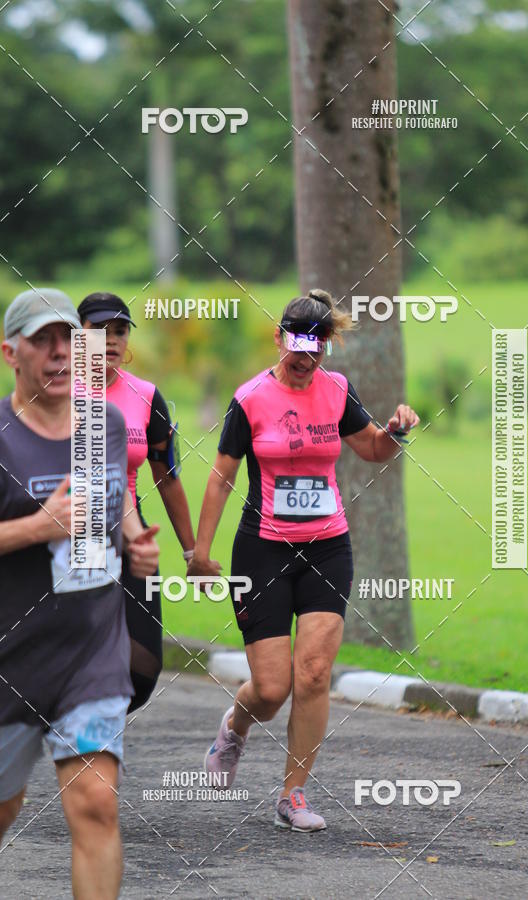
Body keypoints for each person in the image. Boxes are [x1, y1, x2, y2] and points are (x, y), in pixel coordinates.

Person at [188, 288, 419, 832]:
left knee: (313, 674)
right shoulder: (250, 398)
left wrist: (397, 432)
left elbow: (373, 449)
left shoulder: (336, 390)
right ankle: (235, 728)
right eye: (297, 343)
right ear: (279, 338)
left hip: (327, 547)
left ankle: (293, 795)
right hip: (263, 550)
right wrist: (200, 553)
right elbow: (221, 478)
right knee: (272, 689)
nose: (306, 355)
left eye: (317, 345)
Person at [0, 287, 160, 898]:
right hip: (11, 661)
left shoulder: (106, 424)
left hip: (91, 652)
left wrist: (135, 542)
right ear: (11, 353)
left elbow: (112, 498)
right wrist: (38, 528)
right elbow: (54, 524)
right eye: (43, 340)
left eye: (70, 338)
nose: (61, 353)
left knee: (96, 801)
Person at [78, 292, 195, 712]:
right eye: (99, 331)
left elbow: (167, 478)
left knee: (143, 667)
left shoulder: (146, 396)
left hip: (130, 529)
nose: (111, 340)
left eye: (120, 331)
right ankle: (77, 735)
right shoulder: (57, 391)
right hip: (67, 529)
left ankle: (89, 723)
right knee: (75, 651)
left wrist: (191, 551)